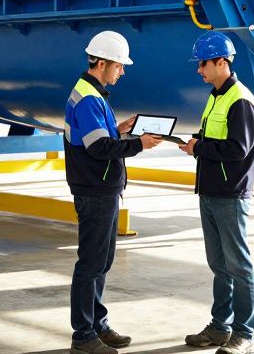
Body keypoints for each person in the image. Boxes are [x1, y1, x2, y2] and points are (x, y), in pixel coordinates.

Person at [65, 30, 162, 354]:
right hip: (95, 191)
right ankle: (83, 336)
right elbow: (98, 148)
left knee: (101, 262)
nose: (122, 71)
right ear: (103, 64)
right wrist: (139, 144)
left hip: (101, 189)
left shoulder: (93, 94)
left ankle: (97, 324)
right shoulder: (90, 98)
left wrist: (119, 129)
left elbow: (96, 137)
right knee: (90, 264)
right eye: (119, 65)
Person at [179, 32, 254, 354]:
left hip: (231, 194)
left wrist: (200, 147)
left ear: (221, 62)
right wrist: (194, 141)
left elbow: (237, 149)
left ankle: (244, 333)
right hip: (211, 191)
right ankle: (219, 326)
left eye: (203, 64)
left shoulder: (240, 100)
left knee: (239, 266)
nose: (199, 70)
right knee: (219, 265)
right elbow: (215, 137)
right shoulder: (216, 96)